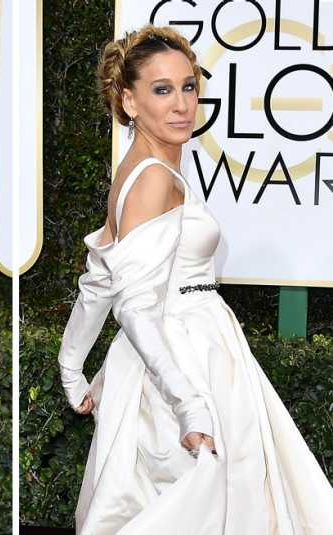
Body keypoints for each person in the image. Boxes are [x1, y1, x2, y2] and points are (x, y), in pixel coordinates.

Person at [57, 25, 333, 534]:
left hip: (181, 353)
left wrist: (72, 365)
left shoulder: (140, 168)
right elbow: (134, 305)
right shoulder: (154, 178)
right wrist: (190, 407)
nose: (182, 104)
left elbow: (99, 280)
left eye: (189, 87)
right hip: (185, 359)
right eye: (162, 90)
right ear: (128, 100)